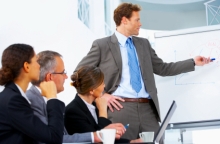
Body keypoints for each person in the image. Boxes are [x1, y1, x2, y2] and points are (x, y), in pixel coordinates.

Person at [74, 2, 211, 143]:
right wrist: (103, 95)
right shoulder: (102, 45)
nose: (140, 24)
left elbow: (163, 68)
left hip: (148, 110)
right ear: (124, 20)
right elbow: (79, 73)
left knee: (155, 141)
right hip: (120, 109)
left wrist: (193, 62)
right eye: (137, 20)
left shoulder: (144, 44)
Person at [26, 50, 126, 143]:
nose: (66, 76)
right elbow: (51, 138)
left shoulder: (43, 99)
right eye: (63, 72)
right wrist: (96, 135)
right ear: (50, 77)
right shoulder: (31, 101)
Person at [0, 44, 65, 144]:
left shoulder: (13, 96)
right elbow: (53, 137)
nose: (39, 65)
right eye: (36, 61)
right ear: (27, 66)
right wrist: (52, 98)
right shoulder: (13, 101)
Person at [65, 65, 142, 143]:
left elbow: (107, 137)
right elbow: (98, 139)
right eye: (102, 83)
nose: (104, 86)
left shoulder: (94, 104)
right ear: (92, 90)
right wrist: (103, 112)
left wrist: (131, 142)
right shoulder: (73, 111)